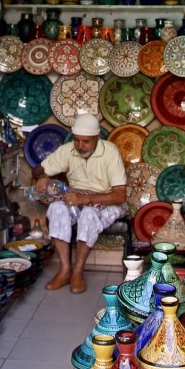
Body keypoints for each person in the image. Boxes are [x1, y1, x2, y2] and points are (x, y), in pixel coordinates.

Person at [32, 113, 127, 294]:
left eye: (85, 141)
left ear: (97, 137)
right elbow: (37, 170)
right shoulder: (68, 150)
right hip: (77, 199)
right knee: (56, 208)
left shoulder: (110, 152)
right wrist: (43, 176)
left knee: (88, 214)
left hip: (107, 201)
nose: (80, 145)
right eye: (76, 140)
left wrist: (87, 199)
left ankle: (77, 272)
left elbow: (120, 195)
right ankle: (65, 270)